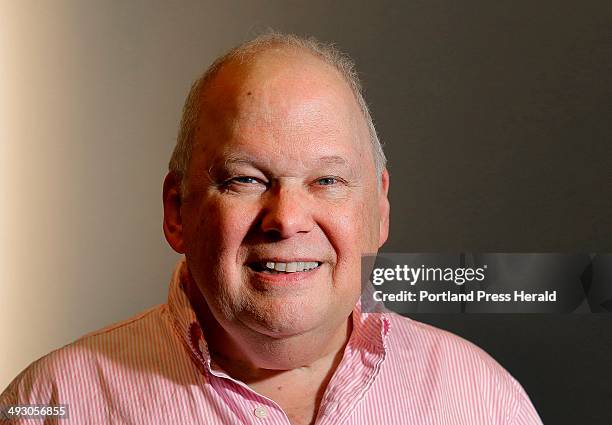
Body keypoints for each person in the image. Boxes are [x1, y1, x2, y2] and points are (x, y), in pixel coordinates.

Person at [0, 32, 543, 425]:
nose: (286, 218)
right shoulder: (50, 403)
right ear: (176, 211)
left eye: (328, 179)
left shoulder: (484, 399)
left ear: (379, 211)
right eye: (244, 179)